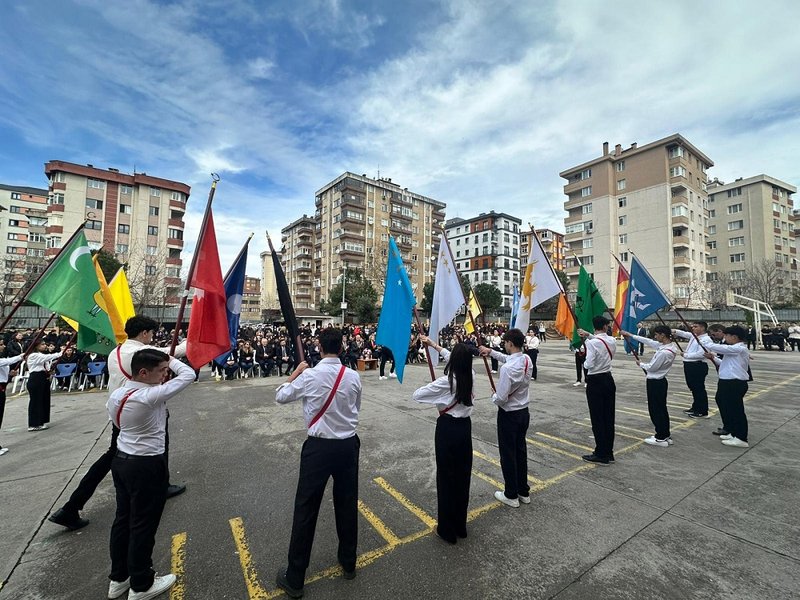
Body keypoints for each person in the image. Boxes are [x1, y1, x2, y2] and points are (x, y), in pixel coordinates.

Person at [49, 316, 186, 532]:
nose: (151, 338)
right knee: (140, 452)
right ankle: (71, 507)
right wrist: (195, 340)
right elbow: (170, 356)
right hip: (138, 411)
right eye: (150, 334)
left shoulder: (117, 351)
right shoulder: (137, 354)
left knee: (115, 456)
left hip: (120, 411)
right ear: (143, 333)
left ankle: (72, 506)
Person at [275, 327, 362, 599]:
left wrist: (295, 374)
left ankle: (296, 576)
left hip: (319, 448)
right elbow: (356, 407)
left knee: (306, 509)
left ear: (320, 348)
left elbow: (281, 395)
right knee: (347, 503)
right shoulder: (353, 376)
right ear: (342, 348)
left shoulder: (310, 376)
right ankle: (348, 562)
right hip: (348, 445)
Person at [106, 348, 195, 600]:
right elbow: (188, 375)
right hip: (146, 464)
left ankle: (119, 578)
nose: (165, 376)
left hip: (122, 460)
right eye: (161, 371)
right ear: (143, 372)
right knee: (143, 524)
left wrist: (162, 360)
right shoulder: (149, 396)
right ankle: (141, 583)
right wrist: (172, 358)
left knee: (122, 520)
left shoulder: (118, 394)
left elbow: (116, 424)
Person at [414, 336, 474, 543]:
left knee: (446, 478)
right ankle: (460, 525)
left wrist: (437, 392)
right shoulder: (470, 374)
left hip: (448, 429)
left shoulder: (445, 382)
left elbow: (417, 395)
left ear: (453, 362)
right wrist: (433, 345)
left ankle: (446, 529)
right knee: (462, 477)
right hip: (465, 429)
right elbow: (454, 356)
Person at [479, 328, 533, 508]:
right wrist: (491, 352)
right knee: (520, 451)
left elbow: (501, 399)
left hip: (509, 415)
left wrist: (493, 395)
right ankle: (523, 491)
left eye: (505, 343)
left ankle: (511, 494)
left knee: (508, 454)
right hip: (523, 412)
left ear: (510, 343)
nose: (504, 345)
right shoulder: (526, 359)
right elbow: (509, 358)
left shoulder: (507, 369)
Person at [623, 326, 678, 447]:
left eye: (657, 335)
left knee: (656, 410)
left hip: (655, 382)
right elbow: (648, 341)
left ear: (663, 335)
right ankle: (665, 434)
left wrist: (641, 364)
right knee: (662, 409)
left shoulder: (664, 352)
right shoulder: (669, 347)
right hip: (660, 381)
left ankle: (660, 438)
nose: (655, 337)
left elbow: (652, 367)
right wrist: (631, 335)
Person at [703, 326, 751, 448]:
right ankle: (733, 432)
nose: (725, 338)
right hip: (727, 382)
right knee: (727, 406)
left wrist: (704, 341)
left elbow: (721, 347)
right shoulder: (733, 350)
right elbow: (724, 363)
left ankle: (741, 438)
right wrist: (713, 357)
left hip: (734, 383)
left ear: (734, 337)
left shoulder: (739, 348)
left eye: (727, 336)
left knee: (736, 411)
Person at [577, 316, 616, 465]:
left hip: (596, 381)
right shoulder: (611, 340)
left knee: (597, 418)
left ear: (595, 326)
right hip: (608, 379)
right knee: (608, 417)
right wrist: (588, 336)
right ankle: (609, 451)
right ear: (606, 326)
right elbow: (601, 341)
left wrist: (584, 358)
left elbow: (589, 364)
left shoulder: (593, 344)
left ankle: (601, 453)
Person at [672, 322, 713, 419]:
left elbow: (701, 354)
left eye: (696, 326)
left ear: (702, 328)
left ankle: (702, 411)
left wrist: (686, 355)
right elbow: (685, 334)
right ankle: (695, 407)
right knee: (693, 388)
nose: (693, 328)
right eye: (693, 326)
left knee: (698, 388)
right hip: (689, 365)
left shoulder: (706, 339)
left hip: (697, 365)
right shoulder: (694, 336)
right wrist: (675, 331)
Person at [26, 339, 63, 431]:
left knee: (43, 400)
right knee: (36, 401)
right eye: (42, 344)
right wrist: (60, 353)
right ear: (36, 346)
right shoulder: (33, 355)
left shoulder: (41, 355)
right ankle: (34, 424)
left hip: (43, 377)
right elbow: (47, 357)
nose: (45, 346)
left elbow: (46, 362)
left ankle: (41, 421)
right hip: (36, 378)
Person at [0, 340, 24, 456]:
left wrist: (9, 375)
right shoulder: (2, 360)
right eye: (0, 344)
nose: (3, 346)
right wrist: (20, 356)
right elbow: (7, 361)